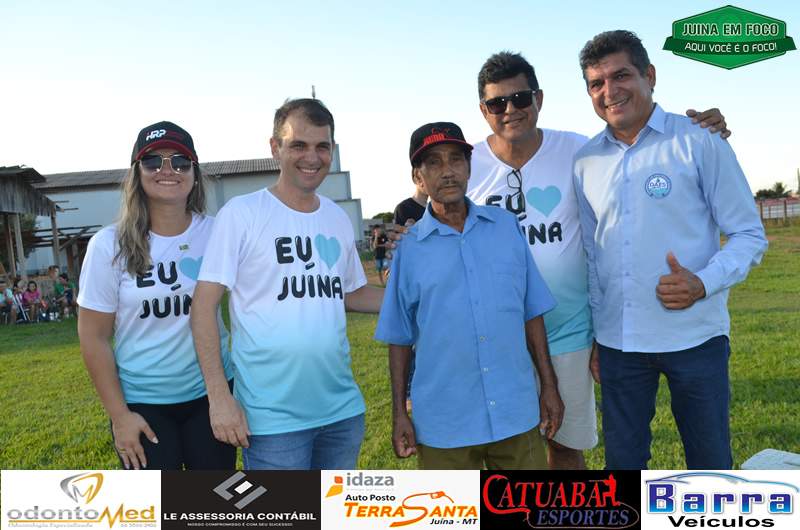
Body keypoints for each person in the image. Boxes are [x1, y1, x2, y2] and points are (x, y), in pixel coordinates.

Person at [464, 51, 733, 470]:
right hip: (496, 335)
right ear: (484, 110)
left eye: (520, 98)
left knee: (565, 446)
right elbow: (429, 200)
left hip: (569, 333)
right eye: (498, 103)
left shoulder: (579, 150)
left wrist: (704, 129)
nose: (510, 110)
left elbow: (632, 153)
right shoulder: (467, 164)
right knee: (506, 453)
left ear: (538, 99)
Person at [573, 30, 768, 470]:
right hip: (619, 344)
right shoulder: (586, 161)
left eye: (621, 75)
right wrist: (598, 335)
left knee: (710, 464)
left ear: (650, 75)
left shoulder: (700, 139)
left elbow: (748, 234)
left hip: (695, 338)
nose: (610, 91)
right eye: (597, 83)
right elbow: (592, 254)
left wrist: (702, 283)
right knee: (623, 466)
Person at [191, 98, 384, 470]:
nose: (312, 157)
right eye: (298, 145)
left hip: (341, 413)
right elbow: (202, 306)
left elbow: (352, 293)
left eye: (322, 146)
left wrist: (415, 298)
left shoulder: (337, 218)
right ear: (275, 147)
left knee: (333, 507)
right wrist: (219, 396)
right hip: (272, 420)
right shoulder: (242, 214)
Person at [375, 122, 563, 470]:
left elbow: (531, 312)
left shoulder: (506, 227)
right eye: (433, 162)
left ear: (468, 167)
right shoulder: (409, 250)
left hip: (515, 414)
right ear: (418, 176)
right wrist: (399, 412)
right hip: (445, 425)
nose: (447, 171)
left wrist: (549, 386)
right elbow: (399, 338)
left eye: (456, 159)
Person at [77, 121, 234, 471]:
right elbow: (93, 337)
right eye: (152, 161)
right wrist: (120, 416)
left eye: (180, 162)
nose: (167, 170)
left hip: (210, 396)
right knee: (155, 503)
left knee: (215, 501)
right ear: (136, 173)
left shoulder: (219, 233)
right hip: (143, 404)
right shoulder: (108, 245)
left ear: (194, 173)